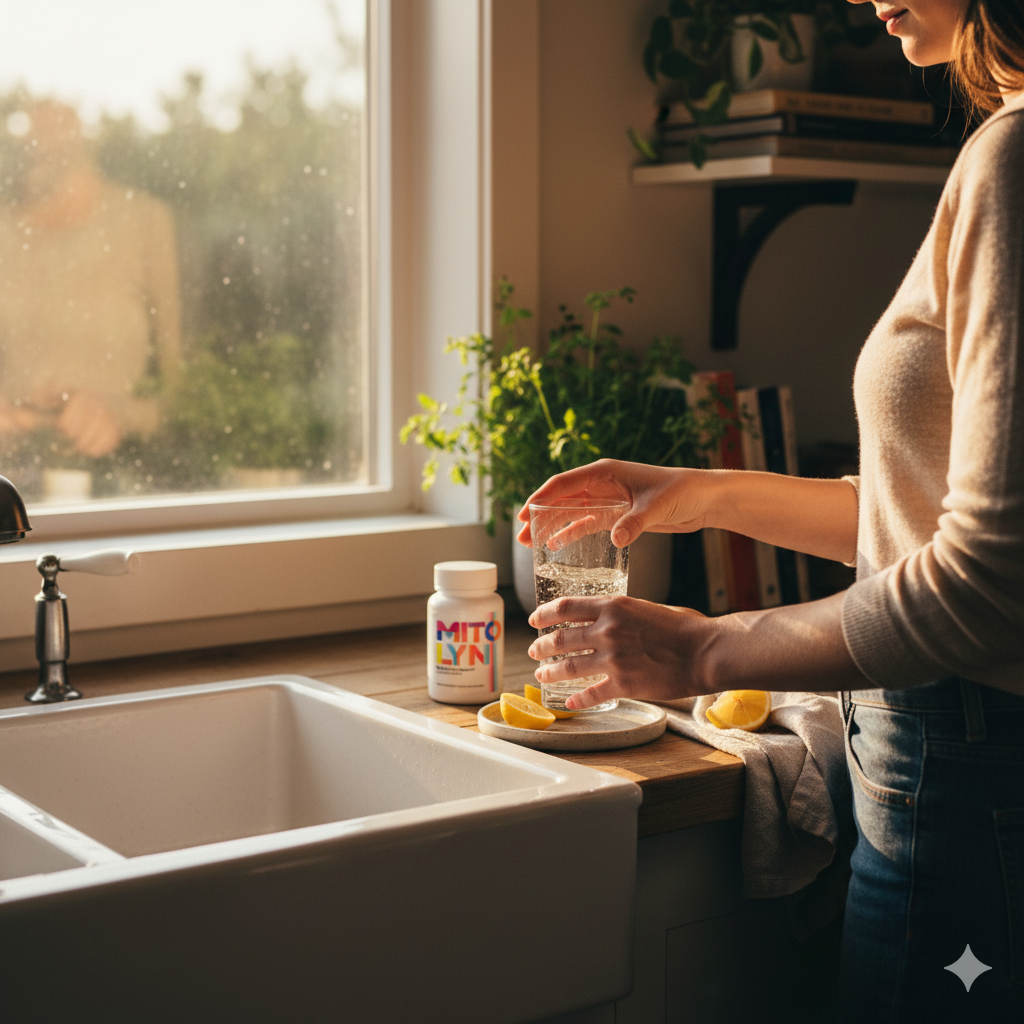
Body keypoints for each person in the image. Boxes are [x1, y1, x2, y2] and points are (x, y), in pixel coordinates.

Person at [519, 1, 1024, 1018]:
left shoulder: (1013, 161)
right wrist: (700, 494)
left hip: (967, 770)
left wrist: (704, 649)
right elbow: (919, 514)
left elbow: (988, 586)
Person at [0, 101, 181, 460]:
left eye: (57, 108)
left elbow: (190, 390)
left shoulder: (145, 222)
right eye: (29, 109)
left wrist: (121, 414)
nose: (40, 123)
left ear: (84, 121)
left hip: (119, 489)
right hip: (12, 487)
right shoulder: (4, 231)